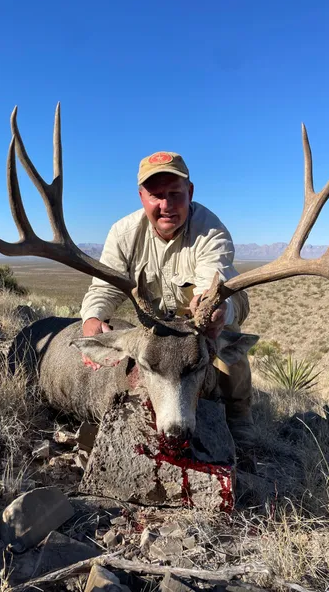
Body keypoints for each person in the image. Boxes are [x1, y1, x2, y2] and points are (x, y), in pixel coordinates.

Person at [80, 151, 254, 446]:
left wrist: (210, 305)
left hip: (202, 318)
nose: (166, 205)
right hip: (159, 324)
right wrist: (93, 318)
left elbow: (213, 281)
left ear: (190, 192)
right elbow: (104, 288)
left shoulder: (211, 230)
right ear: (141, 197)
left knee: (222, 321)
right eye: (156, 195)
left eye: (175, 193)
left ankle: (238, 415)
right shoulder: (123, 234)